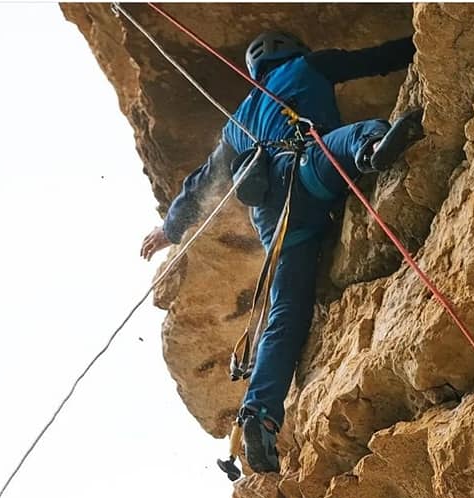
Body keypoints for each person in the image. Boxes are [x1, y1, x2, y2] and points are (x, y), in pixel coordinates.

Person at [141, 31, 423, 473]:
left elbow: (201, 183)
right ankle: (371, 150)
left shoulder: (235, 123)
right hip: (310, 168)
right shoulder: (308, 67)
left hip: (278, 223)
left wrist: (170, 229)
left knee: (285, 313)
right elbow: (380, 58)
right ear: (292, 50)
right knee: (356, 135)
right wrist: (424, 33)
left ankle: (259, 414)